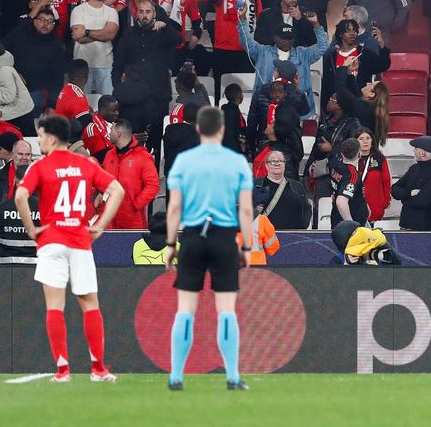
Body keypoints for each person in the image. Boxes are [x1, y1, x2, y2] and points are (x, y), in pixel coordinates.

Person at [14, 115, 126, 383]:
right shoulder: (85, 163)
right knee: (90, 304)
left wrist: (31, 229)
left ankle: (63, 370)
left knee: (55, 305)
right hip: (79, 240)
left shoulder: (41, 166)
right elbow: (118, 191)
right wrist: (100, 226)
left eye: (41, 137)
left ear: (52, 139)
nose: (39, 141)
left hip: (52, 240)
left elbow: (20, 196)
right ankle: (98, 369)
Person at [163, 105, 255, 392]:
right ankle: (233, 376)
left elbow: (174, 207)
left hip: (192, 236)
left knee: (185, 310)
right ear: (223, 129)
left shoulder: (183, 161)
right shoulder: (237, 162)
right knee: (226, 310)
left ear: (198, 129)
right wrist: (247, 246)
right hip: (224, 237)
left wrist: (170, 244)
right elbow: (247, 210)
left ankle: (176, 376)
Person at [103, 119, 160, 229]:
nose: (109, 133)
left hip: (133, 219)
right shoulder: (109, 155)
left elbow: (153, 185)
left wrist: (136, 205)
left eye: (111, 130)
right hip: (110, 216)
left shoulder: (142, 156)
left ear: (118, 134)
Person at [390, 135, 431, 231]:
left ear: (422, 153)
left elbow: (422, 201)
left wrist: (403, 200)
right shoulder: (413, 168)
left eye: (416, 148)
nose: (414, 151)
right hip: (405, 224)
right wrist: (409, 193)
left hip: (427, 228)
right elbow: (394, 189)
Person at [254, 150, 312, 231]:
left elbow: (307, 208)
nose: (277, 164)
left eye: (280, 161)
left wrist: (302, 227)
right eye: (273, 161)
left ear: (285, 164)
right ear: (266, 165)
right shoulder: (256, 185)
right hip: (265, 234)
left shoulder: (297, 186)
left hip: (293, 235)